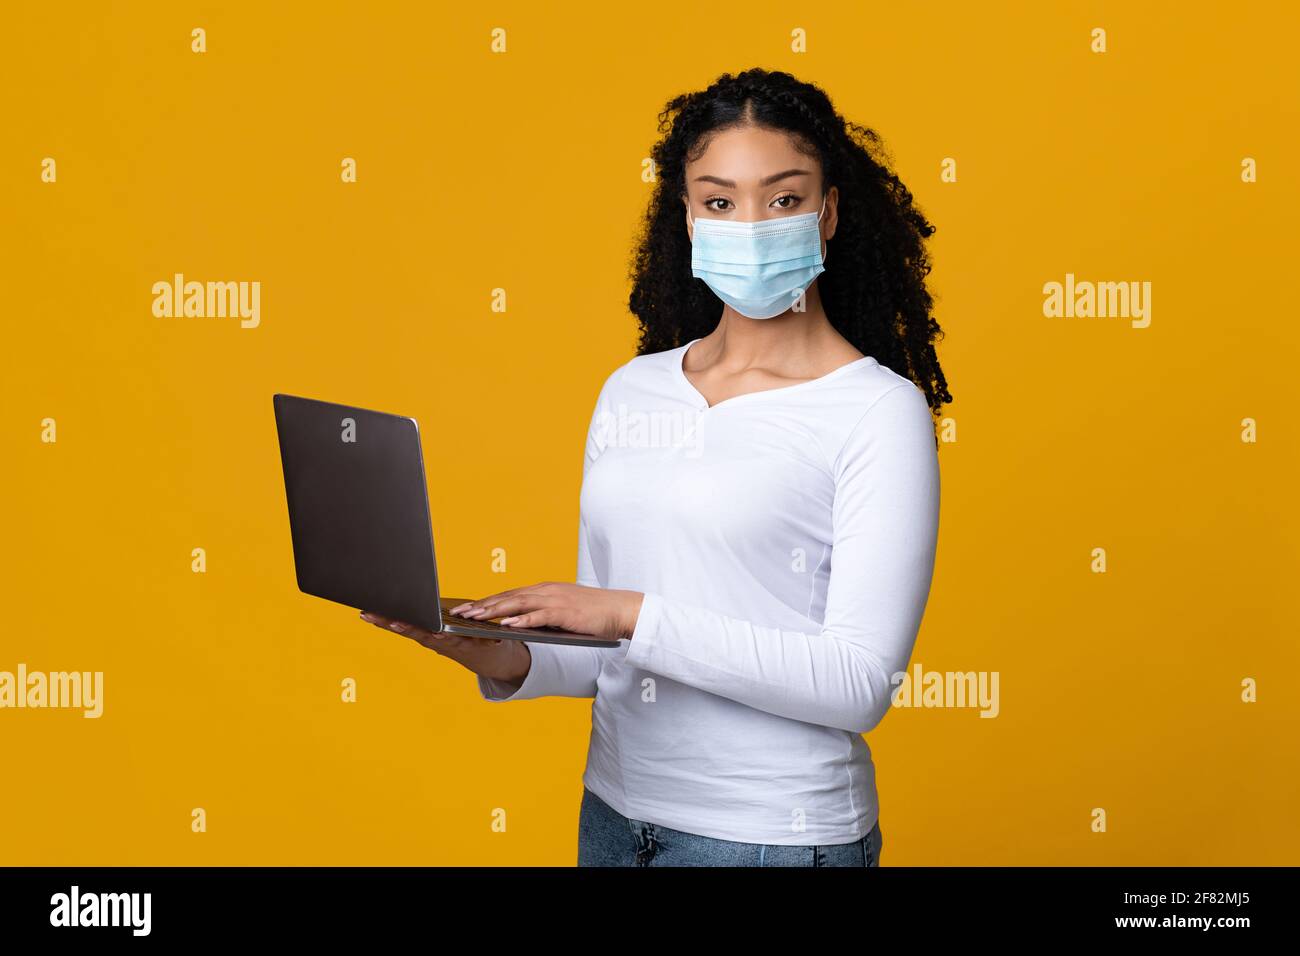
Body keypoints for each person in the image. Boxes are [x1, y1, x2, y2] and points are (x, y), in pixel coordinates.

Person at [362, 67, 951, 867]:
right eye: (719, 200)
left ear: (829, 212)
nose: (750, 224)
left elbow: (857, 684)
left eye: (782, 199)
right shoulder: (633, 390)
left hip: (771, 840)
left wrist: (627, 612)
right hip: (614, 818)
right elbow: (600, 644)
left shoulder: (876, 412)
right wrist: (497, 649)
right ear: (687, 216)